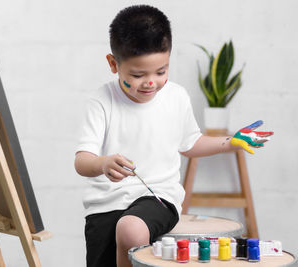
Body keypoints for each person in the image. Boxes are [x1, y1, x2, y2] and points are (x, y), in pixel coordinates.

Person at [74, 5, 272, 267]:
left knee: (130, 229)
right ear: (113, 64)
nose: (151, 82)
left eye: (161, 72)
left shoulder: (176, 97)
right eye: (138, 74)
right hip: (104, 207)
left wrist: (230, 141)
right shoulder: (100, 101)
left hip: (157, 198)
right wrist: (102, 163)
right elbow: (82, 161)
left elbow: (190, 144)